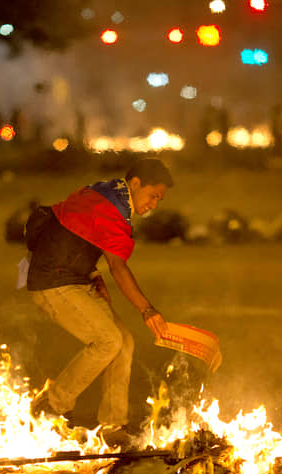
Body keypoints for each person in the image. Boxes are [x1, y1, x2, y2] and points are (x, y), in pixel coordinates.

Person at [24, 159, 173, 447]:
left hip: (76, 278)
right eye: (153, 195)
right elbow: (118, 267)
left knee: (123, 342)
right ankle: (50, 406)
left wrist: (91, 272)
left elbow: (75, 232)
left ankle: (113, 425)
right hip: (54, 283)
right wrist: (147, 310)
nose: (154, 205)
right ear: (136, 183)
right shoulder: (110, 207)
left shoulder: (107, 193)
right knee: (107, 341)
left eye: (160, 199)